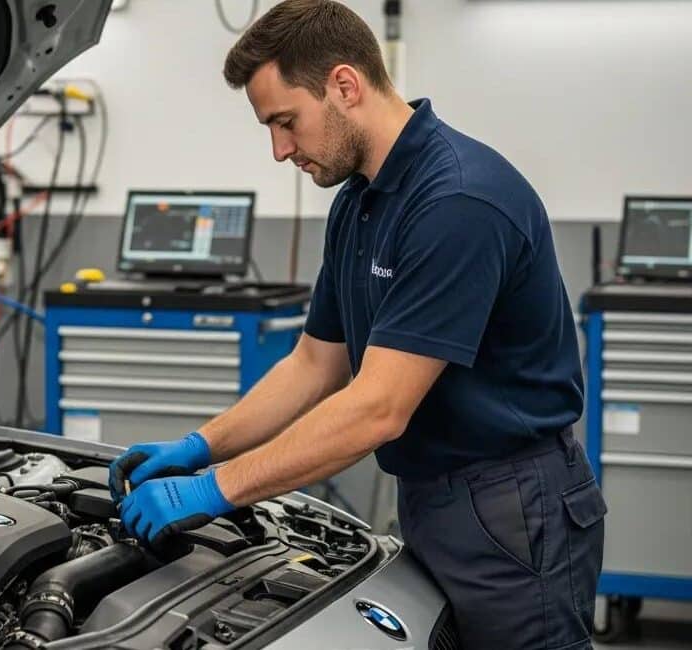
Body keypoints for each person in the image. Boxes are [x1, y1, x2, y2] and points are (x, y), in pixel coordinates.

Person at [108, 1, 606, 647]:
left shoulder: (456, 201)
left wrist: (216, 488)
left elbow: (377, 409)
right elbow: (316, 364)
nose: (281, 149)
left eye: (286, 122)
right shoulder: (363, 200)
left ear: (344, 85)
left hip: (513, 503)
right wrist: (202, 446)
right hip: (435, 493)